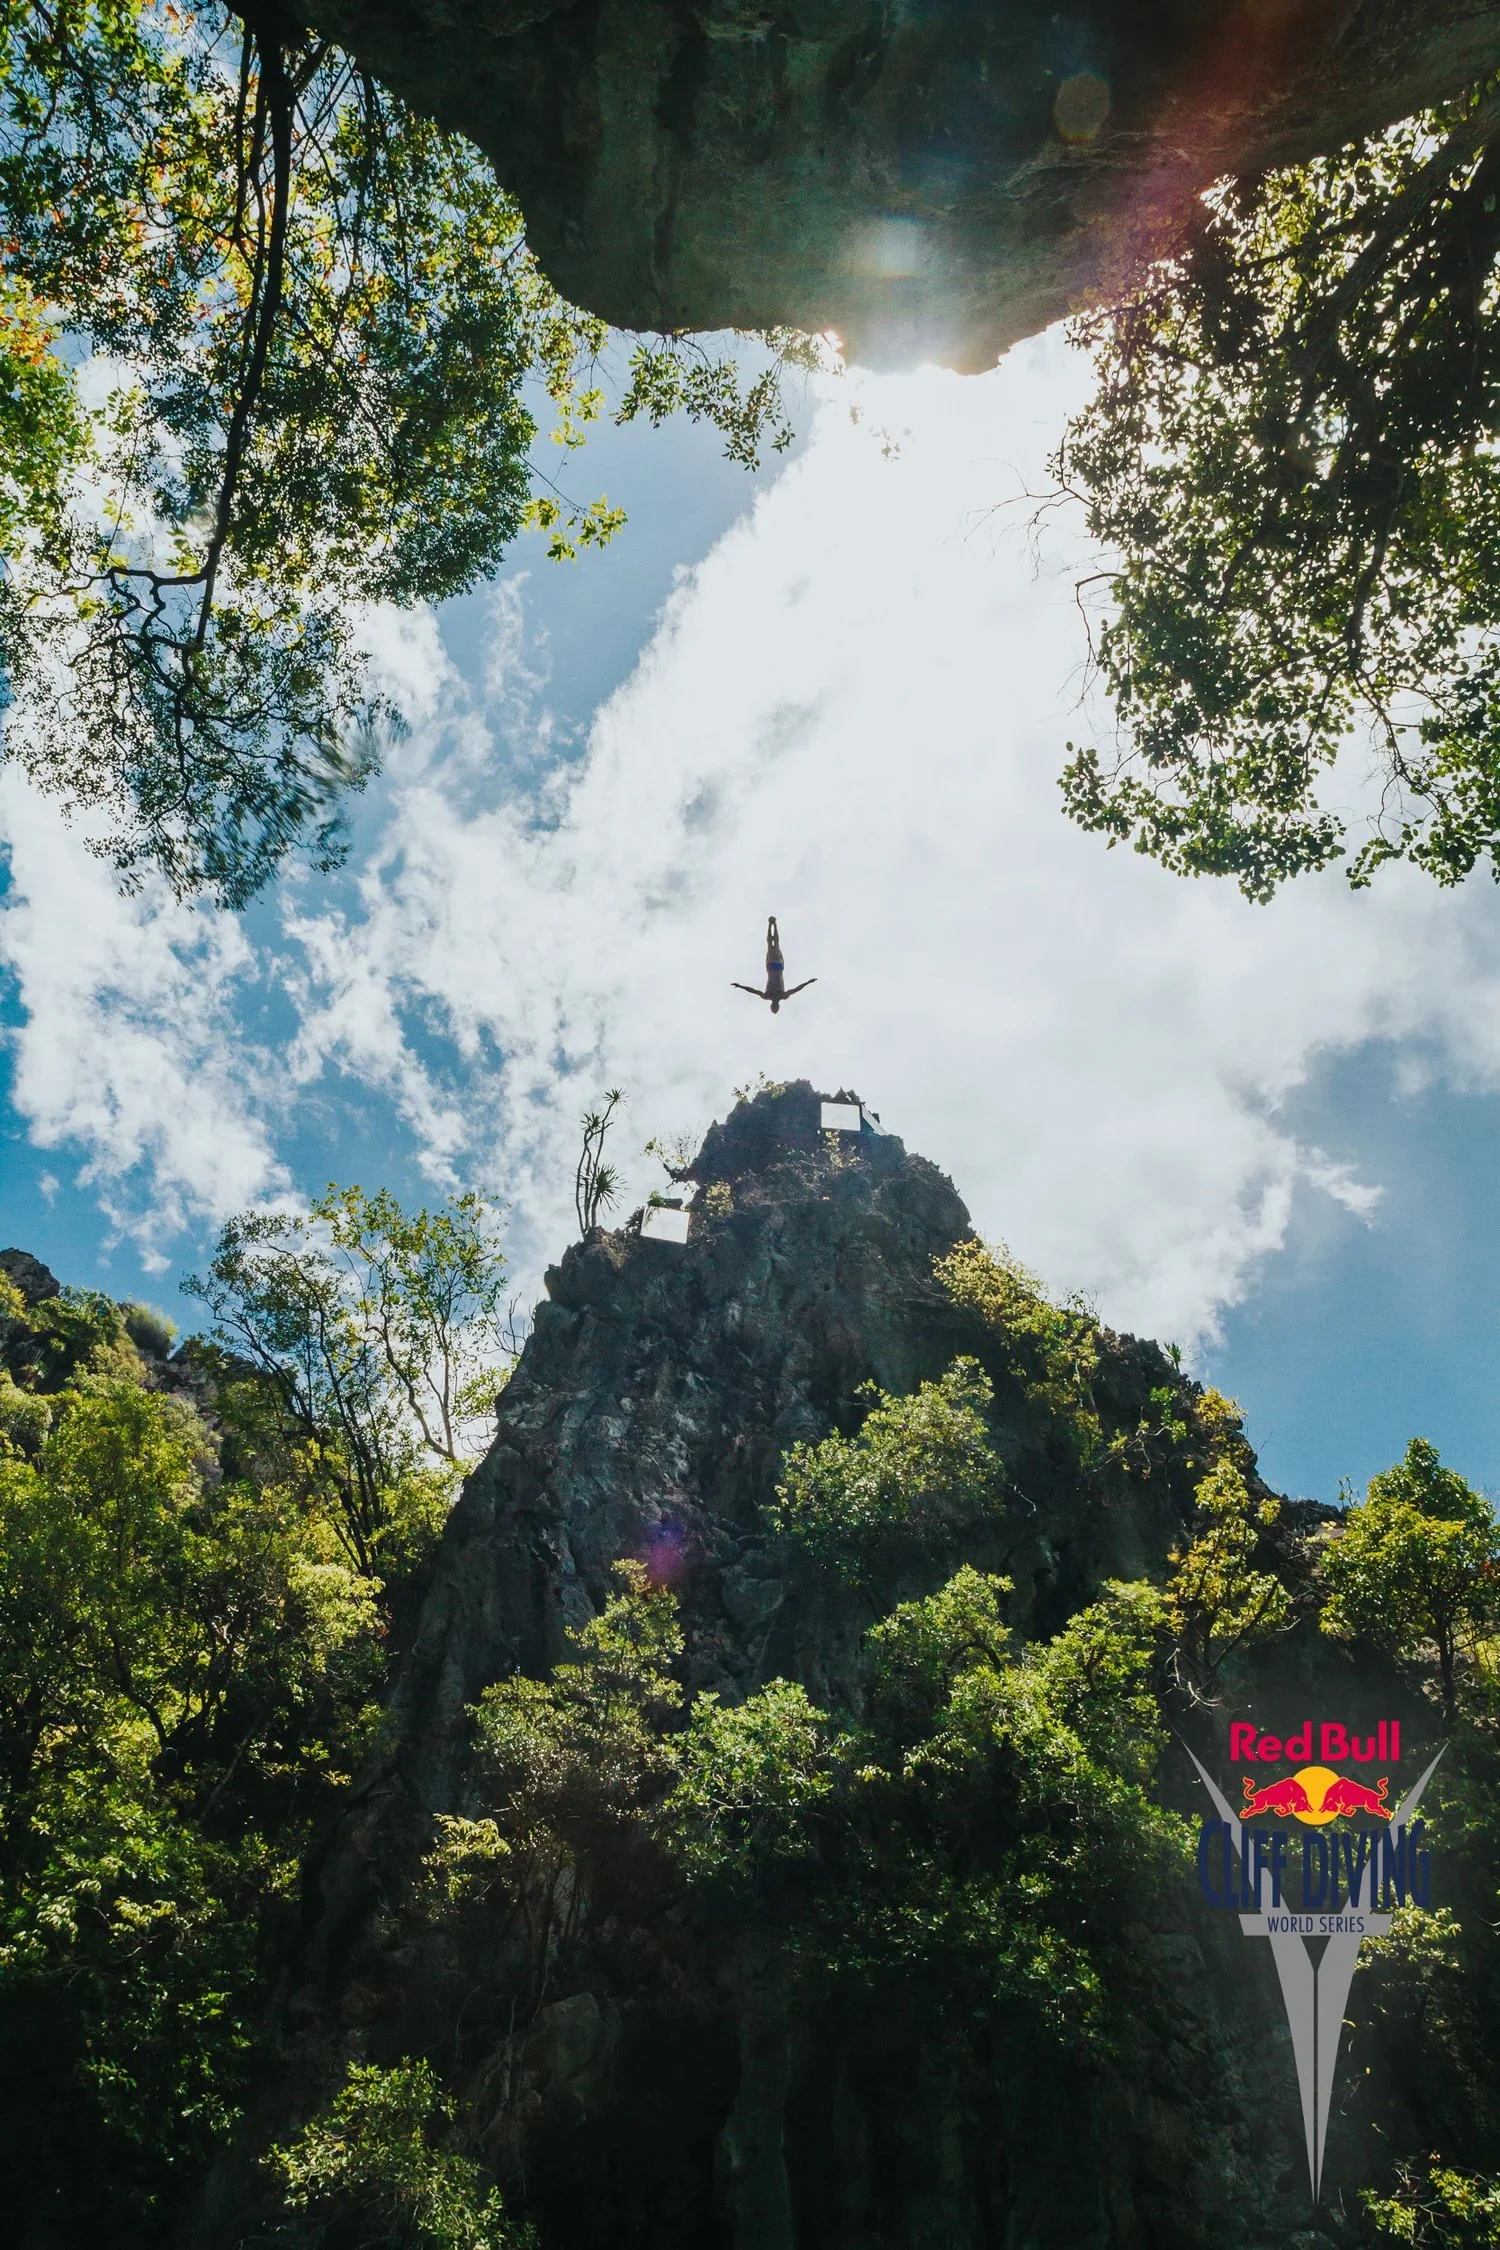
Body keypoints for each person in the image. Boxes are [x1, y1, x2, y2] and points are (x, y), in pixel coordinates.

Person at [733, 915, 816, 1013]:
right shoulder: (781, 996)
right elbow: (797, 989)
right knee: (773, 945)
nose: (775, 1005)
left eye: (774, 1007)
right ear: (777, 1006)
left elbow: (753, 991)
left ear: (772, 1006)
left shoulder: (770, 996)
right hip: (776, 968)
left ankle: (772, 924)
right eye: (776, 1007)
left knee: (773, 945)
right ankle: (773, 924)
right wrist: (808, 982)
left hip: (773, 968)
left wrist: (740, 986)